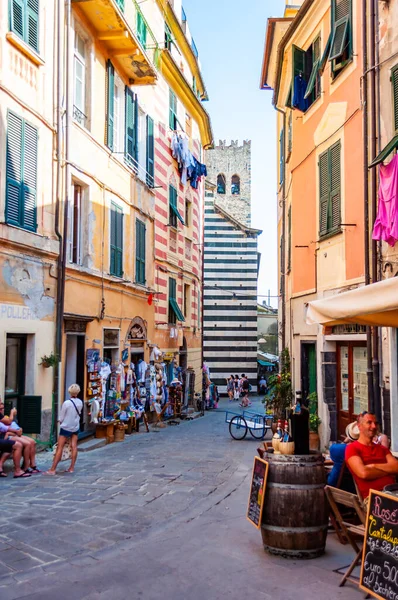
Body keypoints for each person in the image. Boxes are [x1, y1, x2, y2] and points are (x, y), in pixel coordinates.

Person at [346, 412, 398, 500]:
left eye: (375, 423)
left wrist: (374, 466)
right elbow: (364, 473)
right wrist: (389, 471)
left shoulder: (382, 449)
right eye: (369, 423)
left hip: (393, 492)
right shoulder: (352, 448)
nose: (374, 426)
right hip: (373, 499)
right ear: (359, 426)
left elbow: (396, 467)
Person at [45, 384, 83, 475]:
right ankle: (71, 467)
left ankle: (53, 469)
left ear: (69, 392)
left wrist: (60, 421)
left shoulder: (67, 403)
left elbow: (61, 417)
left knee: (60, 447)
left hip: (66, 427)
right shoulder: (80, 402)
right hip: (75, 426)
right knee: (74, 446)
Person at [0, 402, 39, 473]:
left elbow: (10, 427)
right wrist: (12, 414)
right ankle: (25, 467)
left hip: (12, 433)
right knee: (26, 444)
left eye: (2, 408)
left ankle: (32, 464)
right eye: (0, 408)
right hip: (7, 435)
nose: (2, 410)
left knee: (32, 442)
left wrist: (17, 430)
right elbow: (6, 427)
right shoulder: (3, 419)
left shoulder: (4, 417)